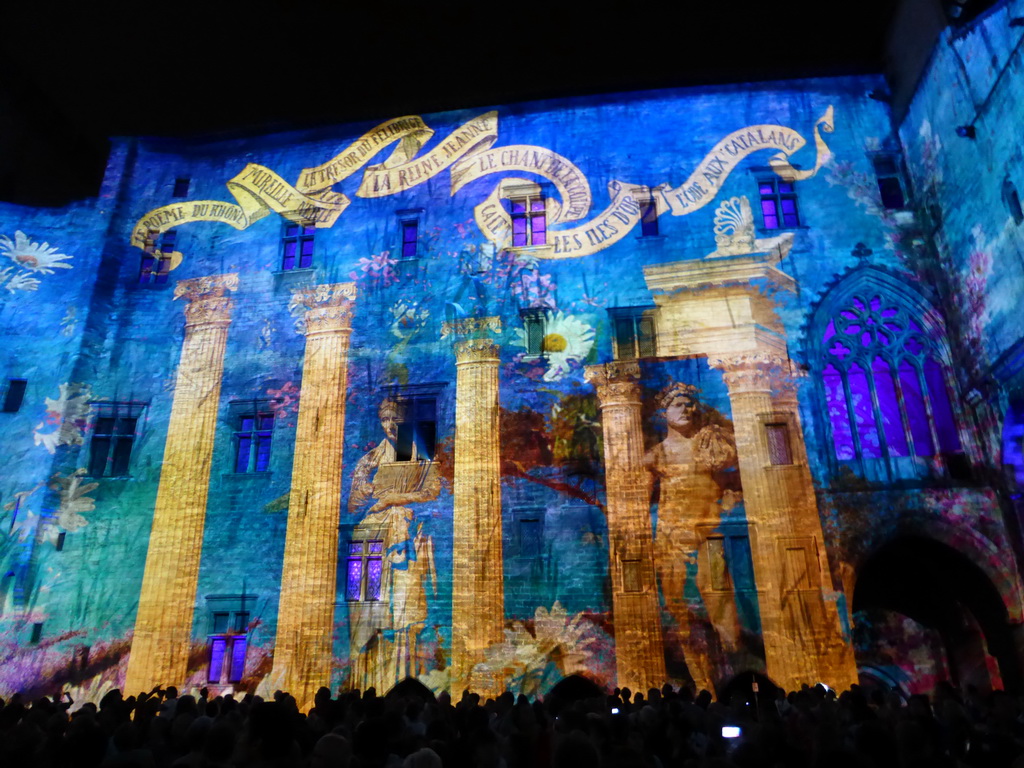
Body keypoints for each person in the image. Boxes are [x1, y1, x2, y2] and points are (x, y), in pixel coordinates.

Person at [643, 383, 740, 693]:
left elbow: (729, 464)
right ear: (663, 413)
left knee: (720, 604)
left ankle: (733, 677)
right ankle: (702, 684)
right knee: (680, 612)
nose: (686, 409)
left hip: (709, 536)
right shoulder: (656, 455)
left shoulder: (710, 442)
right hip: (672, 540)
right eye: (678, 405)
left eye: (689, 404)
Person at [347, 397, 439, 692]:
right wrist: (362, 491)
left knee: (406, 601)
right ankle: (365, 673)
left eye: (395, 420)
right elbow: (351, 504)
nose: (389, 426)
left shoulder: (420, 454)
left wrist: (395, 498)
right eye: (385, 420)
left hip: (404, 532)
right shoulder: (370, 459)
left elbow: (432, 489)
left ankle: (405, 675)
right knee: (367, 601)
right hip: (370, 535)